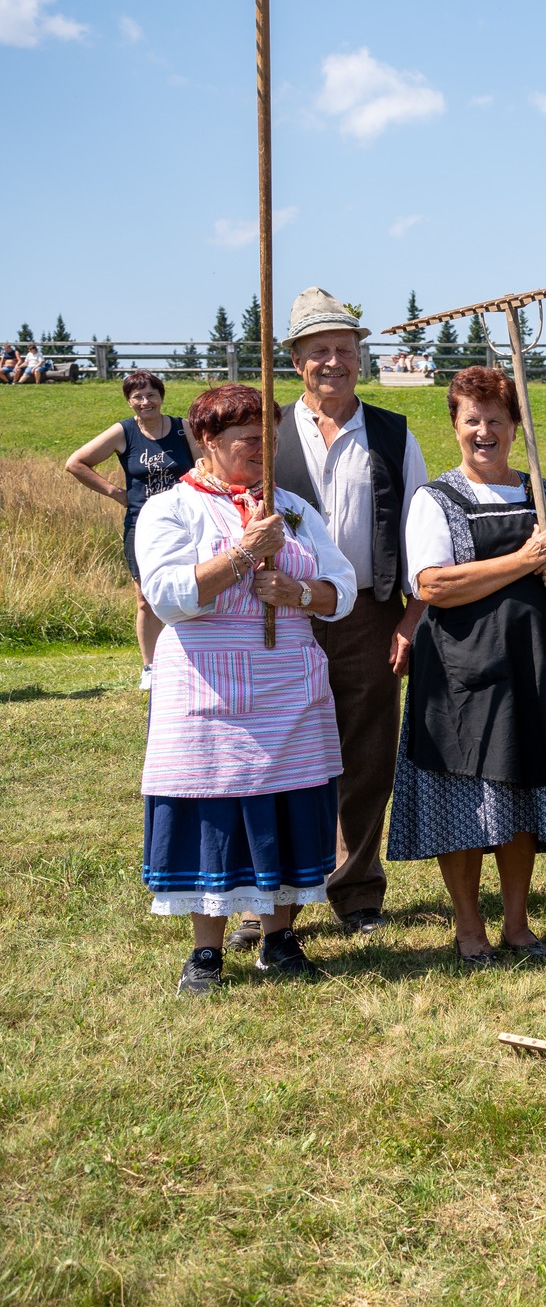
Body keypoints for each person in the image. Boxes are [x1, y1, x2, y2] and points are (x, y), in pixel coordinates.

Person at [134, 382, 357, 993]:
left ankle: (281, 937)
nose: (263, 450)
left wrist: (299, 593)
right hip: (207, 692)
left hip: (288, 683)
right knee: (214, 805)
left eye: (269, 439)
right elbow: (168, 595)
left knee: (289, 805)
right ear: (207, 440)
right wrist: (242, 555)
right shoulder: (170, 509)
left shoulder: (293, 509)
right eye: (247, 440)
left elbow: (343, 587)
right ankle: (207, 950)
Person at [387, 366, 546, 965]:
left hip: (533, 668)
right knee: (464, 797)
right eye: (471, 421)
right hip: (462, 672)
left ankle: (517, 922)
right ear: (454, 427)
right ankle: (468, 926)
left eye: (495, 421)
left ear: (514, 427)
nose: (484, 432)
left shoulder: (544, 494)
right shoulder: (436, 499)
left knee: (525, 790)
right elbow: (432, 585)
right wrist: (523, 560)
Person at [264, 286, 430, 942]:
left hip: (368, 612)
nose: (333, 360)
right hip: (281, 615)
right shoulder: (268, 427)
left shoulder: (390, 432)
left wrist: (410, 619)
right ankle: (272, 895)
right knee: (281, 752)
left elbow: (423, 529)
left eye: (344, 348)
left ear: (360, 356)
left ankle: (356, 886)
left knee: (366, 752)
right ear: (296, 359)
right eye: (318, 350)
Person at [64, 369, 198, 688]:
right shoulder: (124, 432)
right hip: (142, 525)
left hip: (188, 523)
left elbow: (205, 464)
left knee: (192, 591)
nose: (145, 401)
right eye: (137, 396)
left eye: (151, 394)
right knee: (145, 598)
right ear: (129, 401)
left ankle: (188, 659)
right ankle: (151, 668)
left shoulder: (184, 429)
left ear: (162, 397)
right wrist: (116, 493)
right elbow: (76, 463)